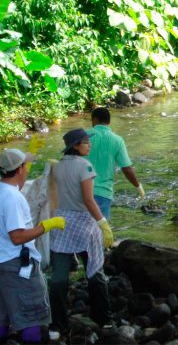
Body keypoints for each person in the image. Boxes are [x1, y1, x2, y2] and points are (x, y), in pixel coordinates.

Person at [0, 148, 65, 344]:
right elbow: (17, 236)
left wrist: (27, 156)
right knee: (31, 313)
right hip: (16, 263)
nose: (28, 169)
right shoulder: (12, 198)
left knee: (3, 310)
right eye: (25, 166)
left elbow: (17, 182)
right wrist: (46, 225)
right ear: (20, 169)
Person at [49, 128, 113, 332]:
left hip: (60, 223)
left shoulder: (57, 167)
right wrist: (103, 223)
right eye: (86, 142)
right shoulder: (85, 166)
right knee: (95, 270)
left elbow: (53, 198)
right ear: (75, 146)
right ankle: (103, 318)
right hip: (83, 224)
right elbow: (88, 200)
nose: (89, 145)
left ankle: (58, 324)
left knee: (58, 278)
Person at [87, 107, 144, 219]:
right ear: (109, 121)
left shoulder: (83, 136)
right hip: (103, 193)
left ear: (94, 120)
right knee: (100, 230)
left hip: (80, 191)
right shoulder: (117, 140)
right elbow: (127, 169)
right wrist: (138, 187)